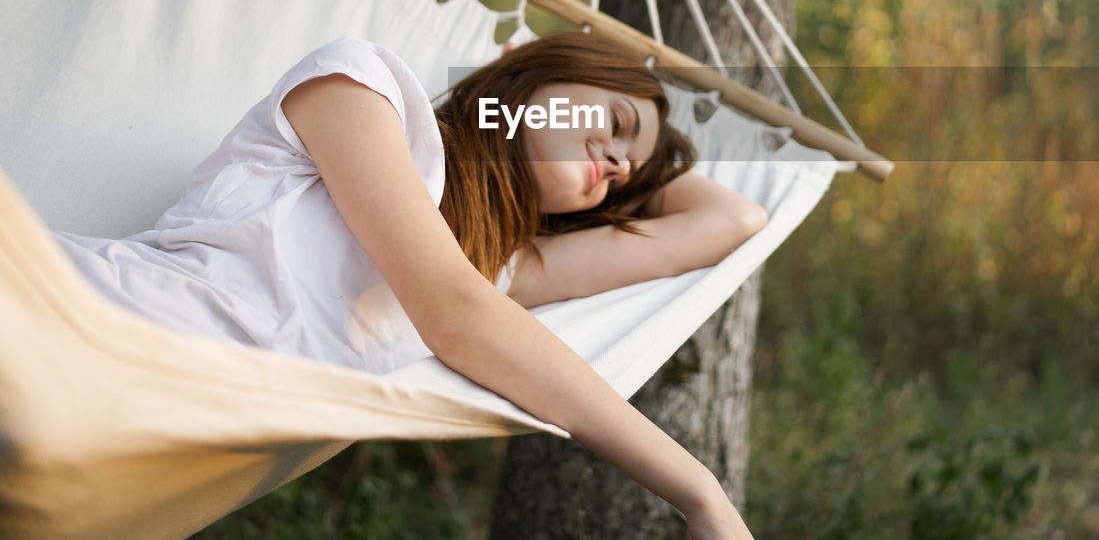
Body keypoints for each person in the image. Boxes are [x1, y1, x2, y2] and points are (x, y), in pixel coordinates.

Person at [54, 32, 767, 538]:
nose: (614, 160)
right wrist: (697, 490)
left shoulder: (501, 269)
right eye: (614, 123)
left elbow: (735, 216)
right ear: (527, 66)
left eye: (625, 174)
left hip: (131, 445)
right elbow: (454, 313)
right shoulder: (361, 85)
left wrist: (643, 160)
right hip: (79, 322)